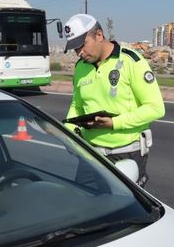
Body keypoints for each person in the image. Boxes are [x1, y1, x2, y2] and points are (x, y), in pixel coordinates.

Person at [63, 14, 164, 187]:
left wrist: (114, 123)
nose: (79, 52)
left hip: (126, 154)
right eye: (75, 48)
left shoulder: (131, 61)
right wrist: (68, 132)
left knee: (126, 211)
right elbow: (77, 105)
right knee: (83, 204)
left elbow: (156, 108)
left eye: (82, 45)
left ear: (99, 35)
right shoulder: (81, 67)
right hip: (91, 154)